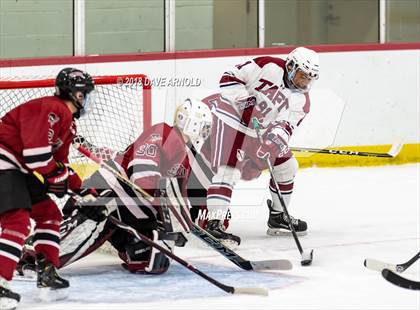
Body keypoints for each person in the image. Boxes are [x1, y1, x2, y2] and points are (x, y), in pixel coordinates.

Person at [17, 98, 214, 276]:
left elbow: (176, 195)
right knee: (78, 235)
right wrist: (165, 208)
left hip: (132, 212)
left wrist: (177, 223)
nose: (205, 133)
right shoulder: (163, 132)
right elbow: (141, 173)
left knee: (150, 258)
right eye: (204, 127)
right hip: (107, 193)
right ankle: (23, 253)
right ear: (193, 123)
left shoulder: (184, 158)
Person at [200, 47, 320, 242]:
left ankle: (278, 216)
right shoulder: (268, 66)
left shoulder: (301, 101)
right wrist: (244, 102)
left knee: (288, 166)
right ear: (290, 66)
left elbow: (285, 127)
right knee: (228, 171)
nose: (303, 82)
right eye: (301, 76)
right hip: (231, 119)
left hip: (258, 132)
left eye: (308, 78)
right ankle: (214, 223)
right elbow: (229, 77)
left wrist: (273, 142)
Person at [0, 67, 95, 309]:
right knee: (17, 221)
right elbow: (37, 158)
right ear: (77, 94)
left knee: (50, 214)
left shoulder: (69, 125)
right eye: (86, 93)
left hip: (20, 168)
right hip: (5, 161)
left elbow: (58, 164)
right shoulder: (50, 108)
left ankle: (47, 273)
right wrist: (57, 177)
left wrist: (84, 191)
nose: (89, 99)